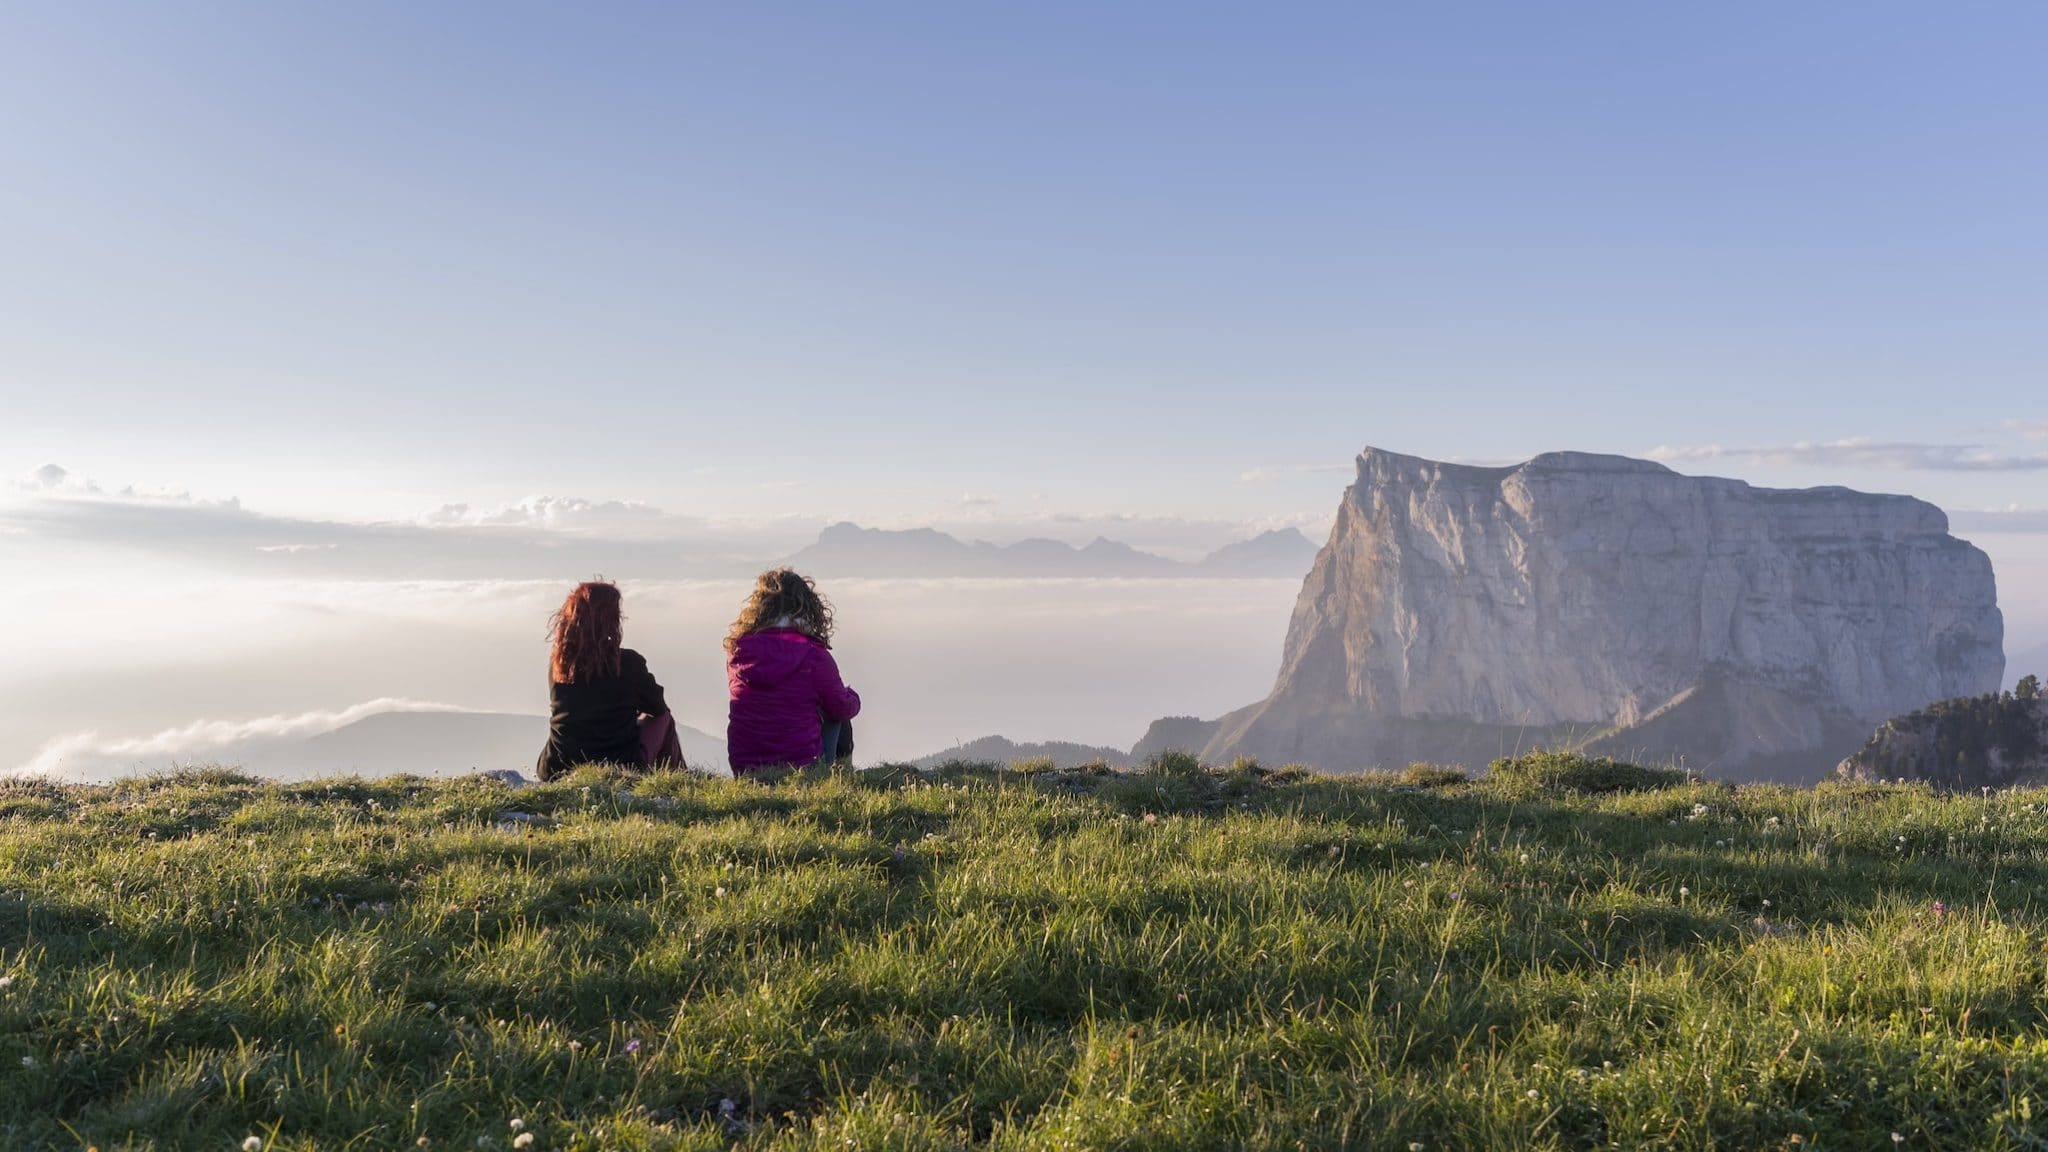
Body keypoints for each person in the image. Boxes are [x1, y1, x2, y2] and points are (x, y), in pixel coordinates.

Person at [535, 580, 686, 781]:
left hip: (557, 765)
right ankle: (676, 781)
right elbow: (657, 707)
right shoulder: (628, 663)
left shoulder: (560, 665)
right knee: (664, 718)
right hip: (620, 764)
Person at [725, 568, 861, 779]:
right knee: (838, 711)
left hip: (745, 770)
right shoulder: (813, 655)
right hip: (801, 769)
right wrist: (853, 697)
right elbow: (841, 708)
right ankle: (843, 779)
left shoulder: (739, 651)